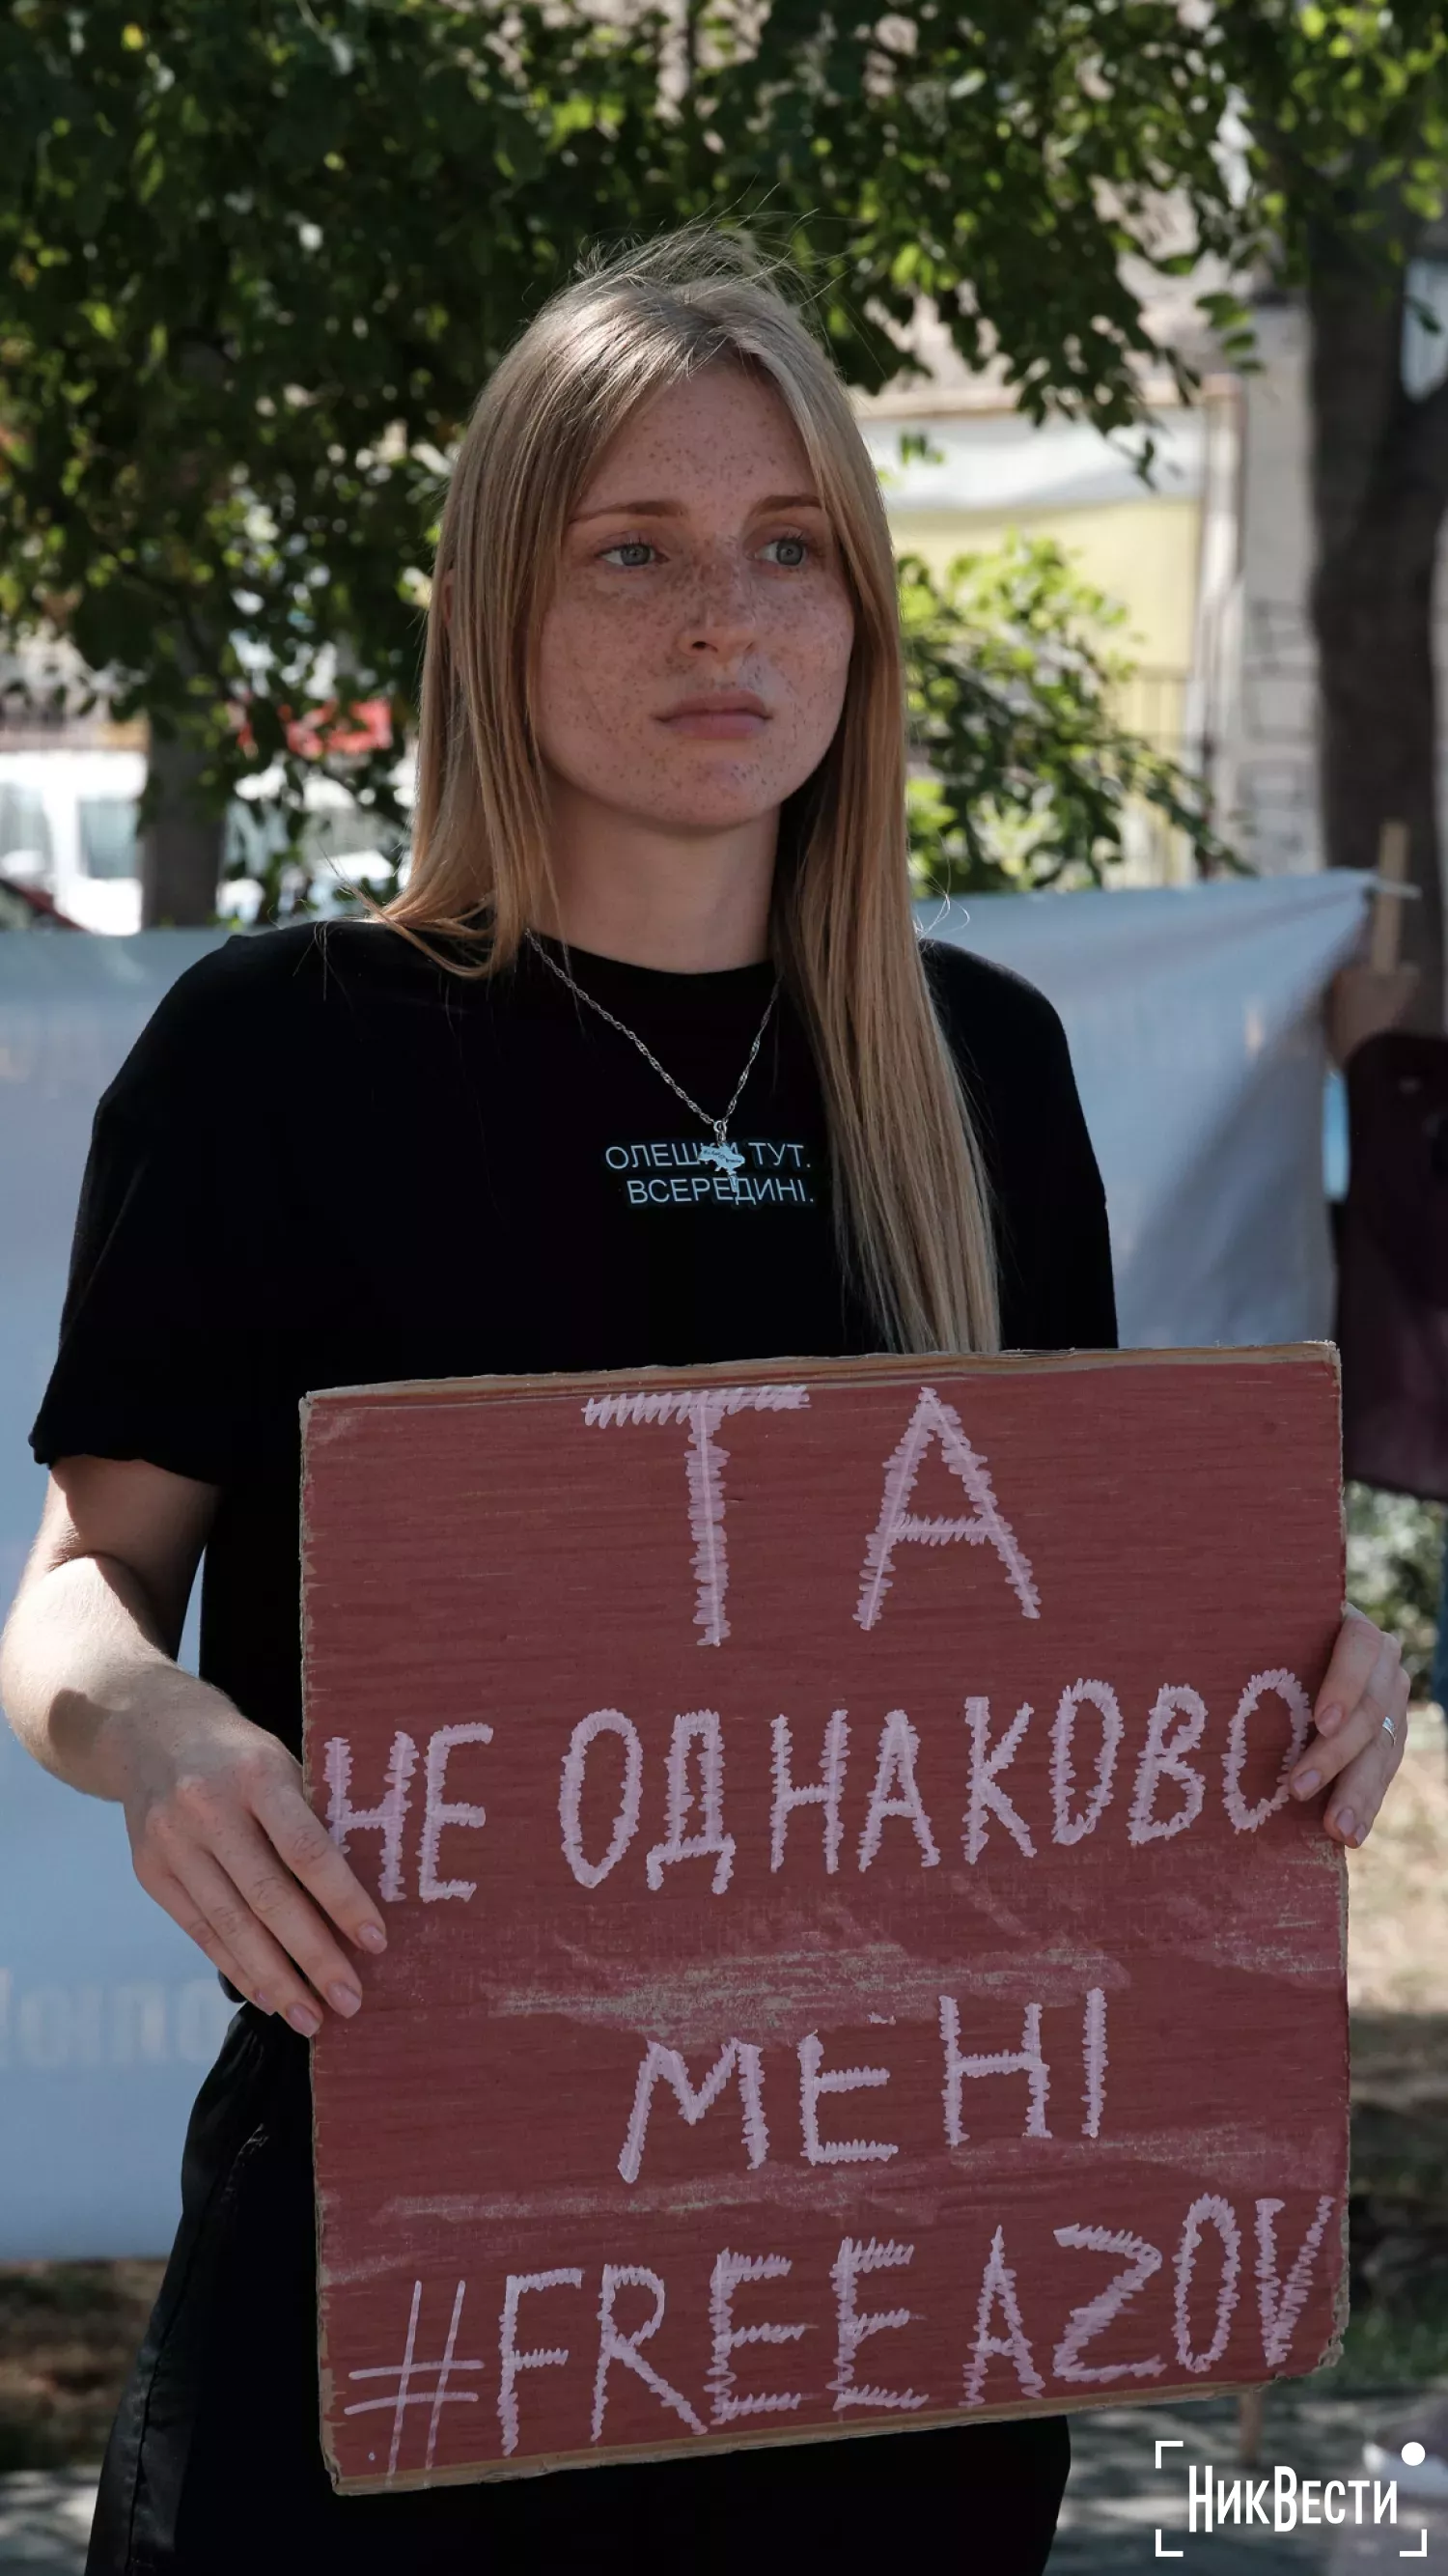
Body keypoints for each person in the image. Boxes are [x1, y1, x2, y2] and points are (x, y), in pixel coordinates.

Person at [0, 224, 1412, 2576]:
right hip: (401, 2314)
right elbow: (78, 1592)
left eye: (786, 551)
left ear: (863, 610)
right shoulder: (280, 1052)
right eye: (631, 550)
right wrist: (158, 1734)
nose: (720, 620)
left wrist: (1298, 1684)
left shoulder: (990, 1069)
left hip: (904, 2331)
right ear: (496, 607)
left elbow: (1055, 1661)